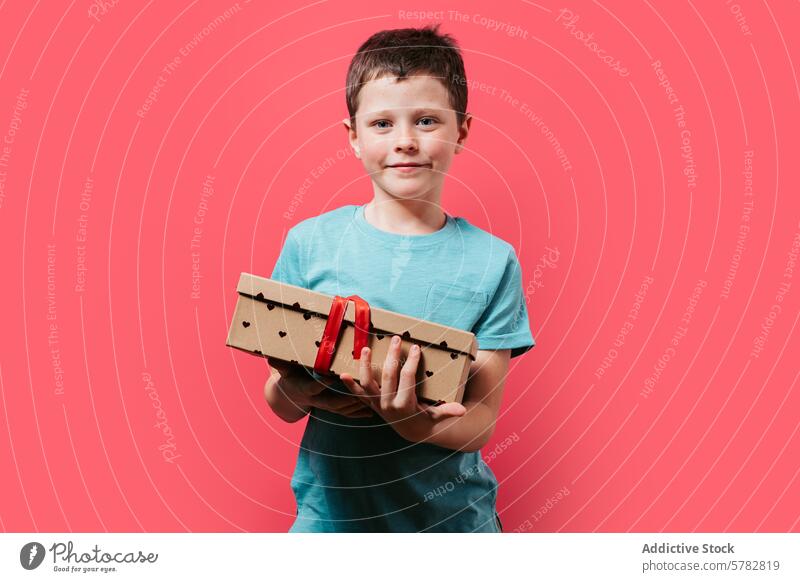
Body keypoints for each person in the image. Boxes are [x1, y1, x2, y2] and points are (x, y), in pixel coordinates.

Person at [263, 23, 535, 532]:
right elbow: (279, 400)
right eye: (382, 123)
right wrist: (304, 391)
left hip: (452, 527)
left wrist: (405, 419)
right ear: (353, 136)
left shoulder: (495, 261)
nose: (405, 141)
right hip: (331, 525)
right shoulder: (309, 243)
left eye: (427, 120)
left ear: (463, 131)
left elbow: (479, 424)